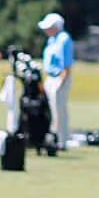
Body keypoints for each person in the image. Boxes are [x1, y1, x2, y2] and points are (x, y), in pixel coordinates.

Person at [38, 12, 74, 143]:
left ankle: (60, 140)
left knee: (58, 110)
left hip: (60, 77)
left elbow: (66, 65)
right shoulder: (51, 40)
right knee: (50, 109)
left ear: (56, 26)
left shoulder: (64, 39)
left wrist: (60, 82)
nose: (46, 30)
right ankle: (51, 137)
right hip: (50, 77)